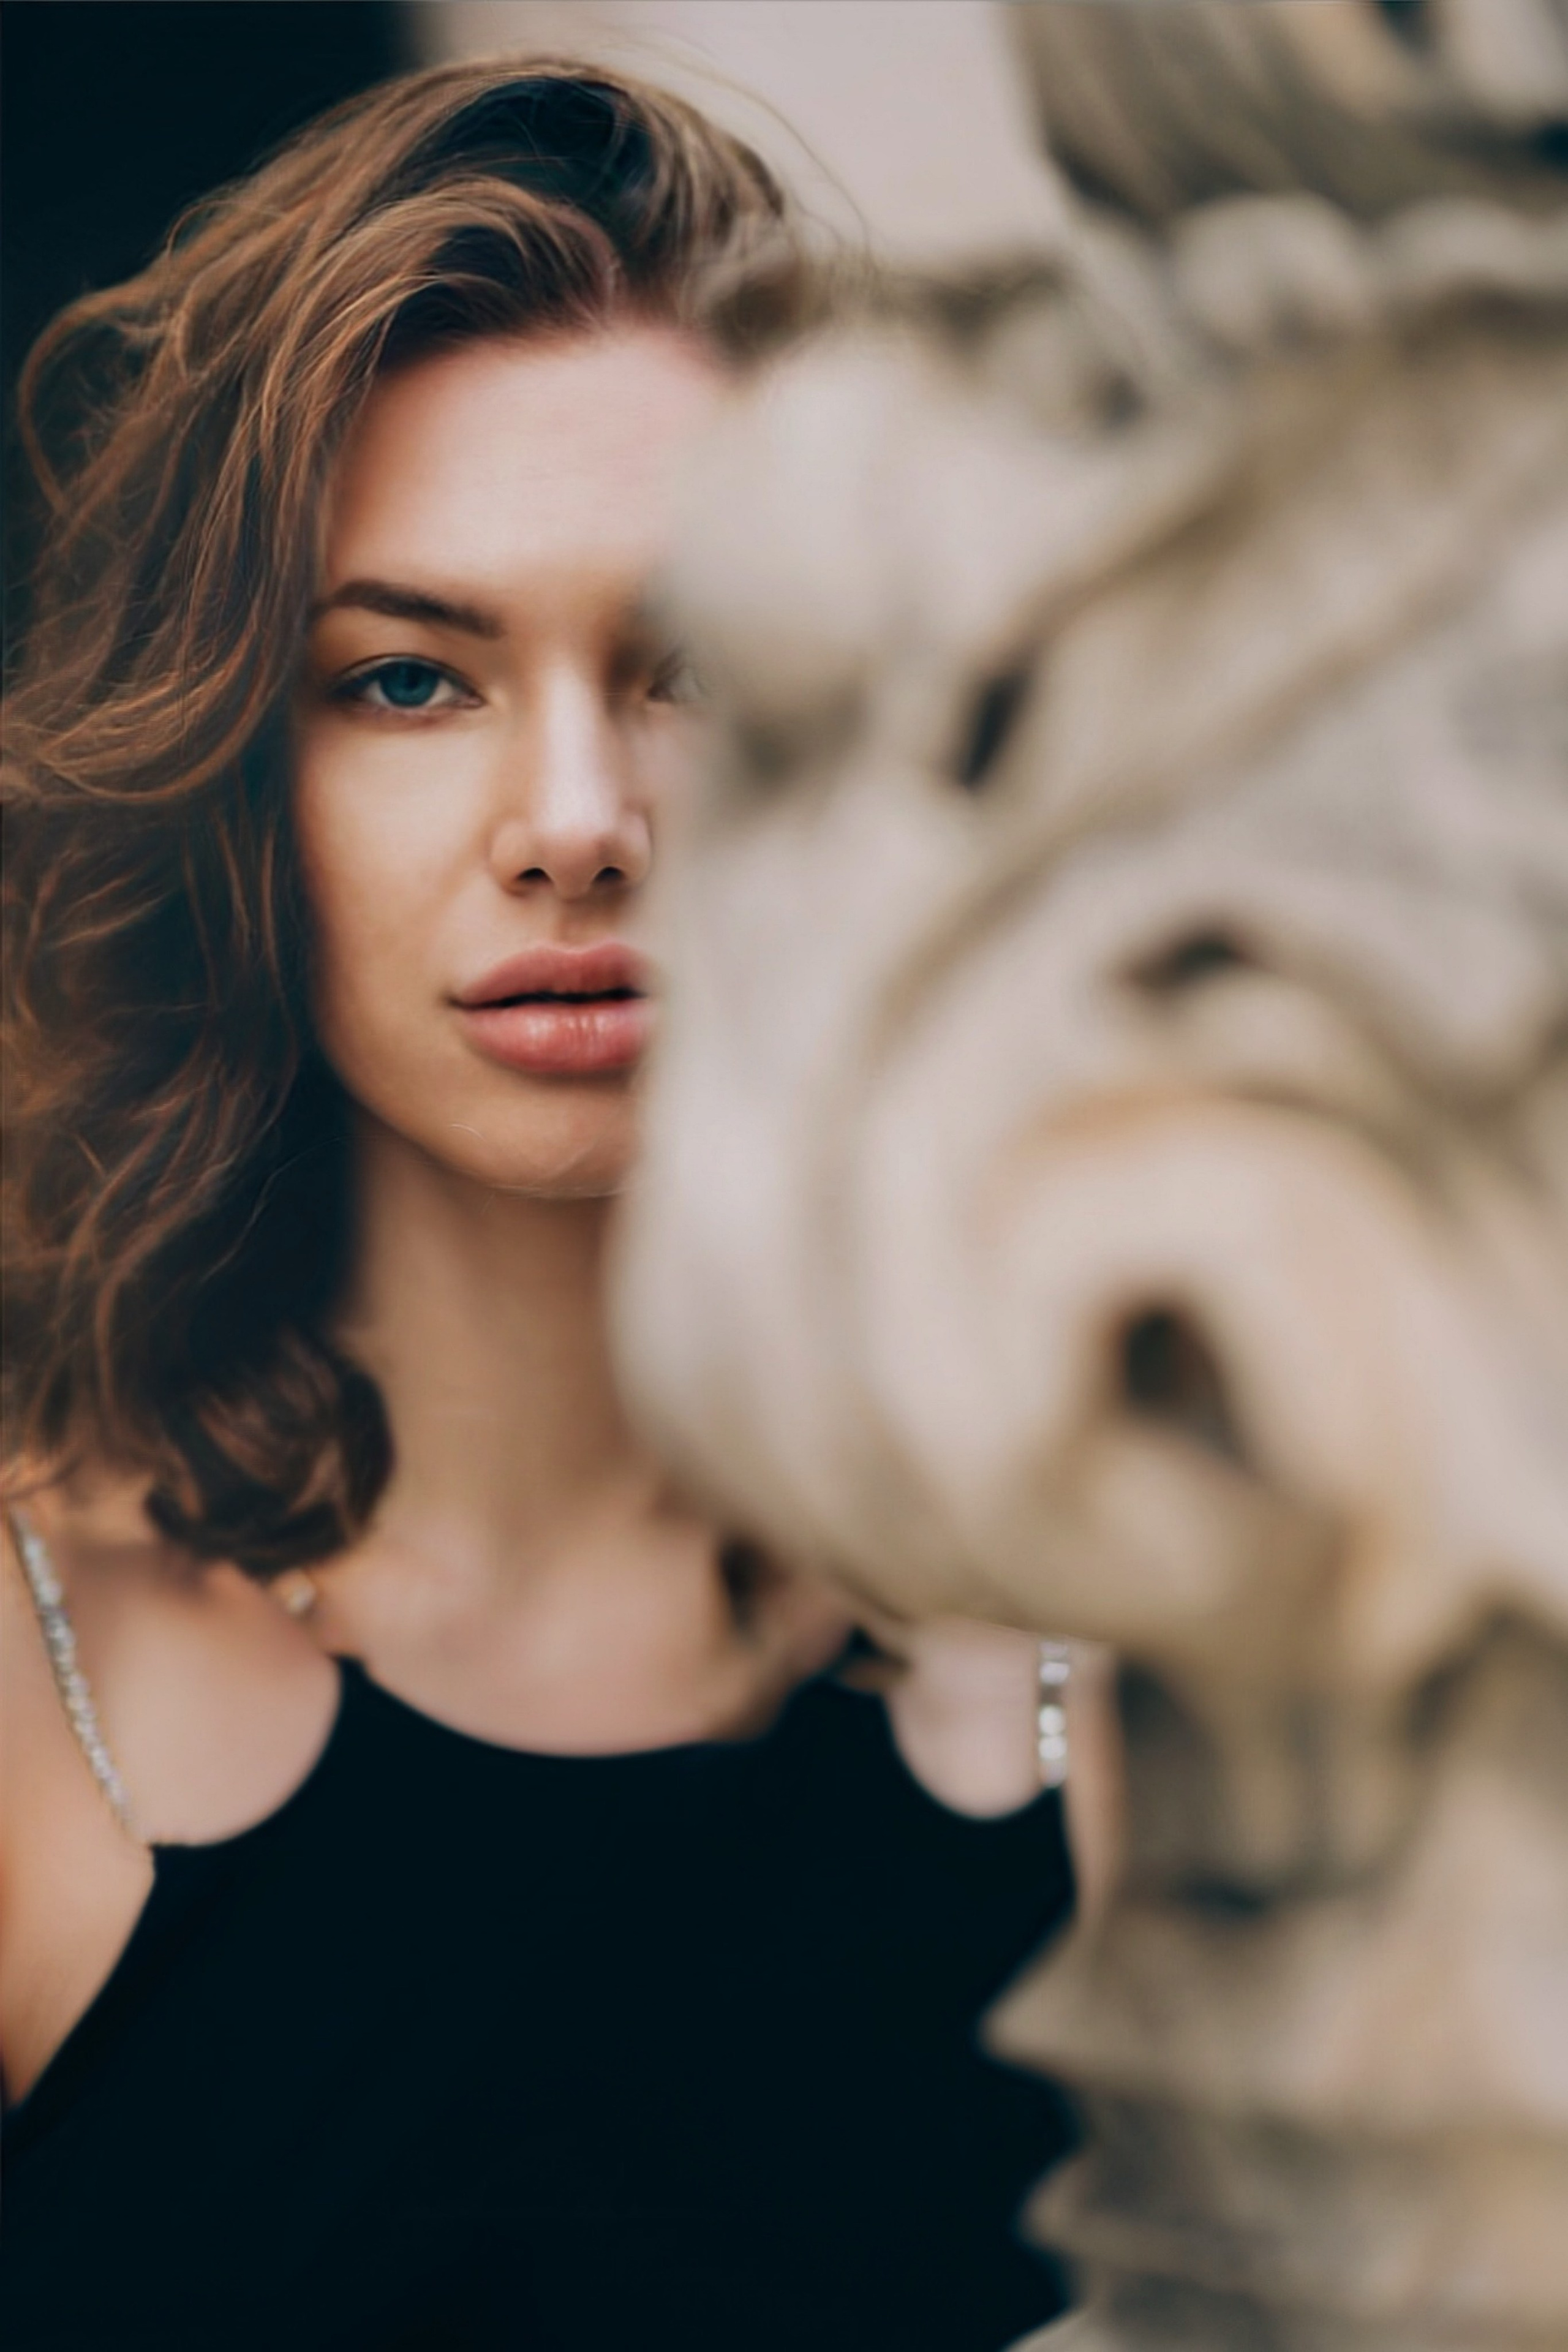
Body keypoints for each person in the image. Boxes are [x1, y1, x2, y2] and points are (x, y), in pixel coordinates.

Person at [0, 61, 1077, 2351]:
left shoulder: (1149, 1689)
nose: (576, 818)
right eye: (408, 679)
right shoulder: (29, 1721)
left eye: (690, 666)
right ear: (233, 793)